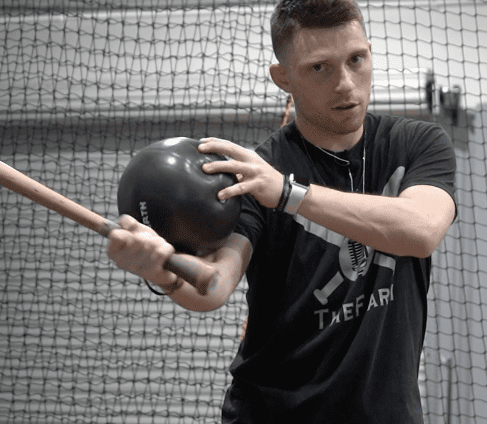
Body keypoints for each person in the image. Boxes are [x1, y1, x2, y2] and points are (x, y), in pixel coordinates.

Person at [107, 0, 457, 422]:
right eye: (319, 68)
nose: (345, 84)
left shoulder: (417, 144)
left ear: (369, 52)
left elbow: (421, 230)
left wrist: (289, 193)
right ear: (283, 78)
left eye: (355, 60)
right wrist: (161, 270)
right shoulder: (258, 173)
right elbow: (214, 284)